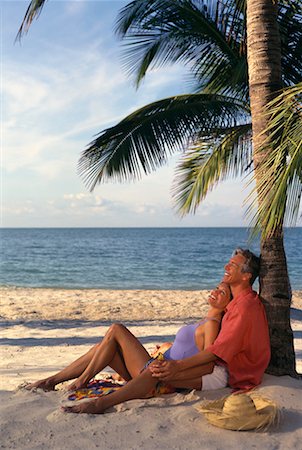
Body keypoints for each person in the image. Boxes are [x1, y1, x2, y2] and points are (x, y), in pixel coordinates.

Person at [27, 282, 232, 413]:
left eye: (222, 292)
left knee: (116, 330)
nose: (215, 291)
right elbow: (188, 347)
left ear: (228, 302)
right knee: (103, 346)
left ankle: (80, 380)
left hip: (157, 377)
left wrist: (175, 368)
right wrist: (168, 348)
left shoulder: (212, 323)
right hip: (153, 367)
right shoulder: (206, 319)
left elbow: (208, 359)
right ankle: (51, 381)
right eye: (216, 287)